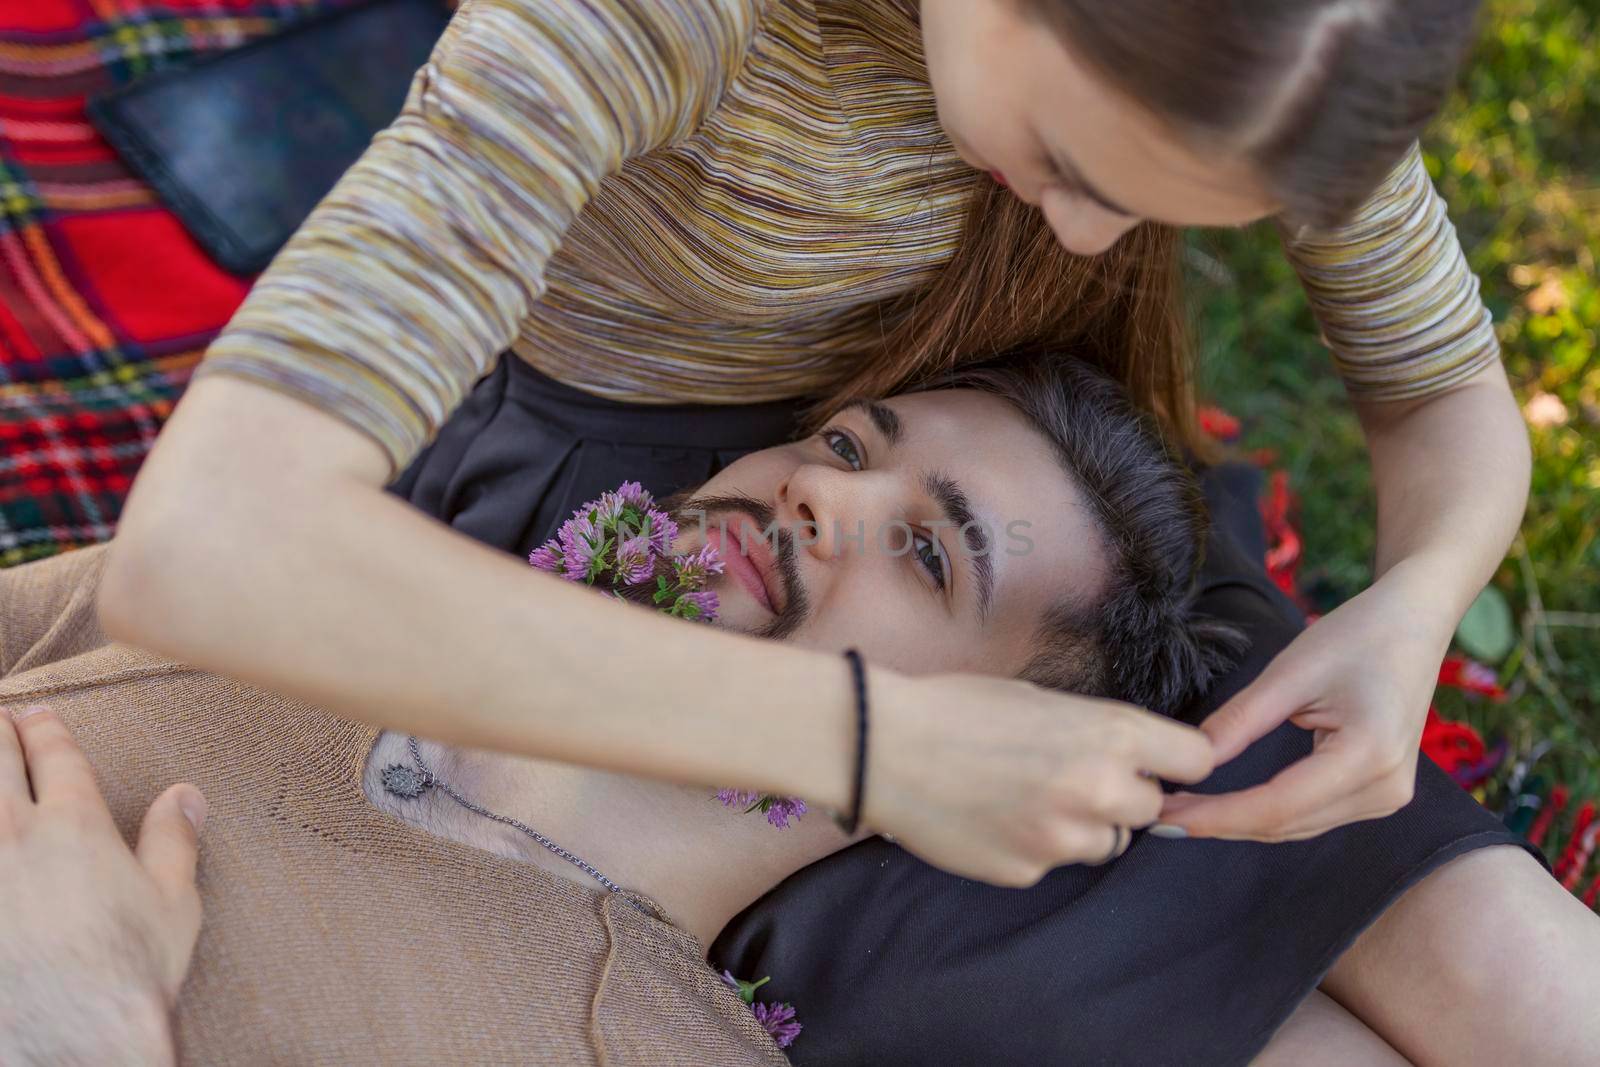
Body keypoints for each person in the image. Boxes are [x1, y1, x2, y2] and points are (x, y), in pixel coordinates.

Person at [97, 0, 1531, 889]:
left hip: (1002, 472)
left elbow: (1444, 394)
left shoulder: (1269, 38)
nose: (1088, 238)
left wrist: (1413, 607)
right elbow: (207, 543)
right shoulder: (649, 19)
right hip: (653, 514)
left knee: (1410, 887)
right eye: (1077, 172)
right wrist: (876, 746)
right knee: (1112, 921)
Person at [6, 359, 1594, 1065]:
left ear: (1013, 748)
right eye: (844, 446)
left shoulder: (631, 1046)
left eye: (925, 552)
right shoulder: (304, 611)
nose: (823, 498)